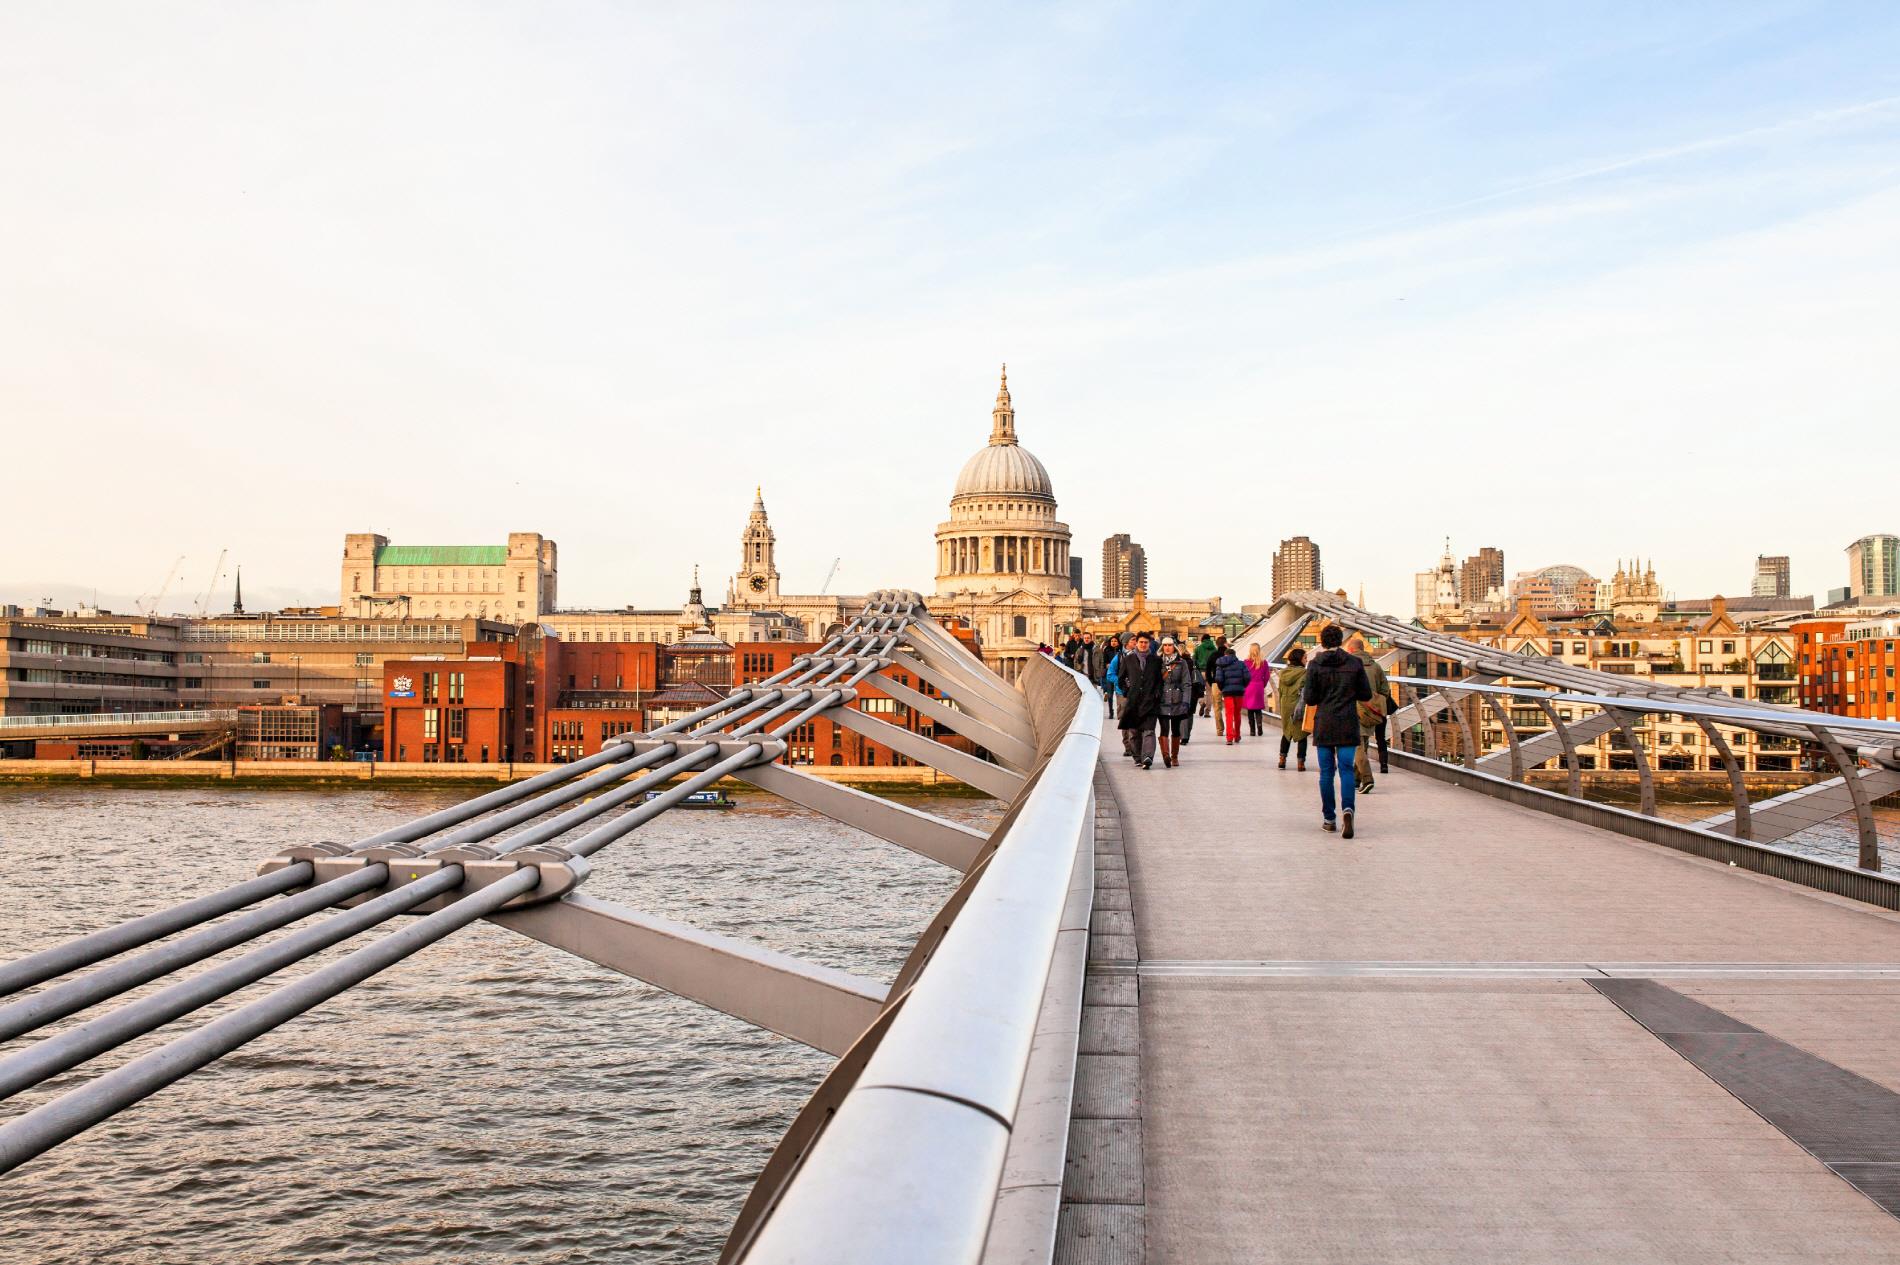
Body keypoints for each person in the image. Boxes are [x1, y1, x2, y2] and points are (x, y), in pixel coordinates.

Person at [1303, 625, 1372, 837]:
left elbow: (1310, 699)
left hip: (1324, 723)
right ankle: (1348, 810)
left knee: (1326, 773)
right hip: (1347, 723)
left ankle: (1329, 819)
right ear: (1341, 640)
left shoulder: (1314, 665)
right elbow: (1365, 694)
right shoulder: (1354, 663)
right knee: (1346, 770)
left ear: (1322, 642)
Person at [1345, 634, 1395, 794]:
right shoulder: (1376, 666)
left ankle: (1367, 779)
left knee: (1357, 746)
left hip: (1353, 709)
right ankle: (1356, 779)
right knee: (1363, 745)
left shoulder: (1348, 666)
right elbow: (1385, 690)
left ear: (1351, 649)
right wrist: (1374, 702)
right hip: (1371, 710)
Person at [1117, 631, 1163, 769]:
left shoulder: (1156, 660)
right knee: (1134, 732)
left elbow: (1159, 681)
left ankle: (1148, 757)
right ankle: (1137, 757)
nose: (1143, 645)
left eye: (1146, 642)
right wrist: (1127, 691)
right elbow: (1121, 679)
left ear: (1149, 644)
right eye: (1141, 642)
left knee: (1149, 730)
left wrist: (1157, 693)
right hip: (1134, 701)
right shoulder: (1128, 659)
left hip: (1150, 701)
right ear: (1136, 643)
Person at [1156, 636, 1196, 768]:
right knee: (1164, 728)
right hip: (1162, 700)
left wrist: (1186, 701)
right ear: (1162, 647)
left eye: (1170, 645)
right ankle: (1166, 755)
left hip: (1177, 700)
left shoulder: (1181, 663)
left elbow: (1187, 683)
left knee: (1176, 729)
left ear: (1174, 647)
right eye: (1165, 645)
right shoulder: (1157, 662)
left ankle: (1174, 757)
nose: (1167, 648)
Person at [1276, 647, 1309, 770]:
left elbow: (1279, 690)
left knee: (1286, 732)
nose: (1306, 660)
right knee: (1302, 734)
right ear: (1300, 659)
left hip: (1285, 703)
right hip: (1299, 704)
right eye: (1305, 657)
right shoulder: (1305, 673)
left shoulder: (1283, 673)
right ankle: (1301, 762)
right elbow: (1306, 691)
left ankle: (1282, 759)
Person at [1211, 640, 1250, 744]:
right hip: (1239, 692)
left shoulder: (1220, 664)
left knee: (1229, 714)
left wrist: (1222, 687)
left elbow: (1218, 679)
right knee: (1237, 714)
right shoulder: (1241, 664)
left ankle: (1229, 738)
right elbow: (1247, 677)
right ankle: (1237, 735)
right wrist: (1243, 686)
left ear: (1225, 654)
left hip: (1227, 692)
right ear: (1235, 655)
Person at [1241, 643, 1271, 738]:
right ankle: (1260, 726)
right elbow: (1267, 676)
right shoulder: (1264, 662)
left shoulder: (1245, 662)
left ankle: (1252, 731)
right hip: (1259, 686)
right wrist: (1263, 685)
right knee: (1258, 709)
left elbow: (1243, 676)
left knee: (1250, 710)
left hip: (1249, 687)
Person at [1193, 633, 1220, 720]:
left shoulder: (1198, 648)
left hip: (1201, 672)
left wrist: (1197, 666)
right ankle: (1207, 712)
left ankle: (1201, 702)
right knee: (1209, 692)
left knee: (1199, 690)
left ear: (1202, 639)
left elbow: (1194, 659)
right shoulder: (1214, 649)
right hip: (1211, 673)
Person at [1102, 634, 1123, 720]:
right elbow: (1103, 662)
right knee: (1110, 694)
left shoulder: (1121, 651)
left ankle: (1120, 710)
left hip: (1119, 674)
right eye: (1112, 641)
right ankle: (1111, 711)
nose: (1113, 643)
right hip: (1110, 674)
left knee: (1120, 694)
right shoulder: (1107, 650)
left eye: (1115, 641)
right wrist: (1107, 665)